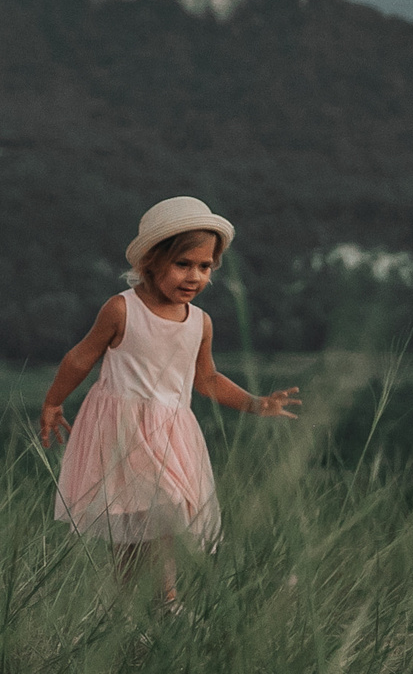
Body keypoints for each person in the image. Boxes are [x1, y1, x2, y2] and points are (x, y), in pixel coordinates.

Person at [38, 197, 299, 608]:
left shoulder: (199, 322)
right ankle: (138, 608)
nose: (194, 276)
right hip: (123, 431)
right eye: (183, 264)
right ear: (151, 261)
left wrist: (256, 403)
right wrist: (54, 402)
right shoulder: (122, 309)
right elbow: (81, 357)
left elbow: (207, 379)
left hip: (171, 435)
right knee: (132, 529)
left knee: (166, 515)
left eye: (205, 266)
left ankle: (163, 601)